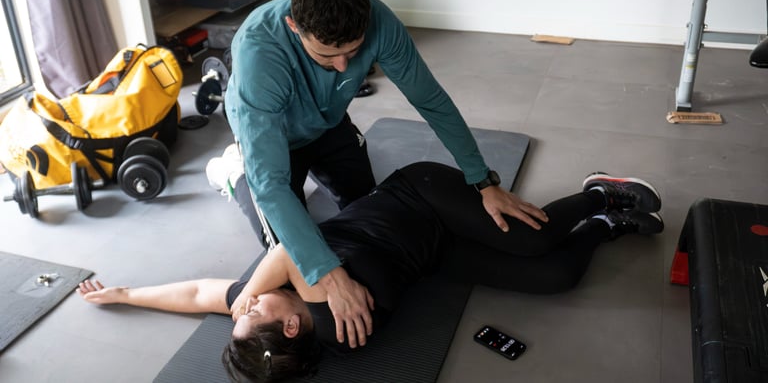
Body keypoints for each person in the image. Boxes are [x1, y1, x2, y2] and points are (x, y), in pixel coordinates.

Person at [80, 161, 664, 382]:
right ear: (291, 327)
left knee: (535, 243)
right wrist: (248, 296)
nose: (246, 303)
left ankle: (598, 191)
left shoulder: (278, 295)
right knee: (553, 277)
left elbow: (197, 293)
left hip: (420, 194)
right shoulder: (321, 310)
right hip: (432, 249)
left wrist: (124, 293)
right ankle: (606, 224)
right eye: (252, 314)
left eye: (244, 308)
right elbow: (280, 258)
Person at [223, 0, 546, 347]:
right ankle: (234, 171)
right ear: (295, 26)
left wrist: (482, 180)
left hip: (328, 122)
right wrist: (330, 276)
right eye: (327, 55)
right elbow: (272, 186)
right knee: (288, 254)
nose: (343, 65)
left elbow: (431, 101)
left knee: (367, 207)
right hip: (270, 135)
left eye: (353, 51)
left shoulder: (380, 21)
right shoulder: (260, 53)